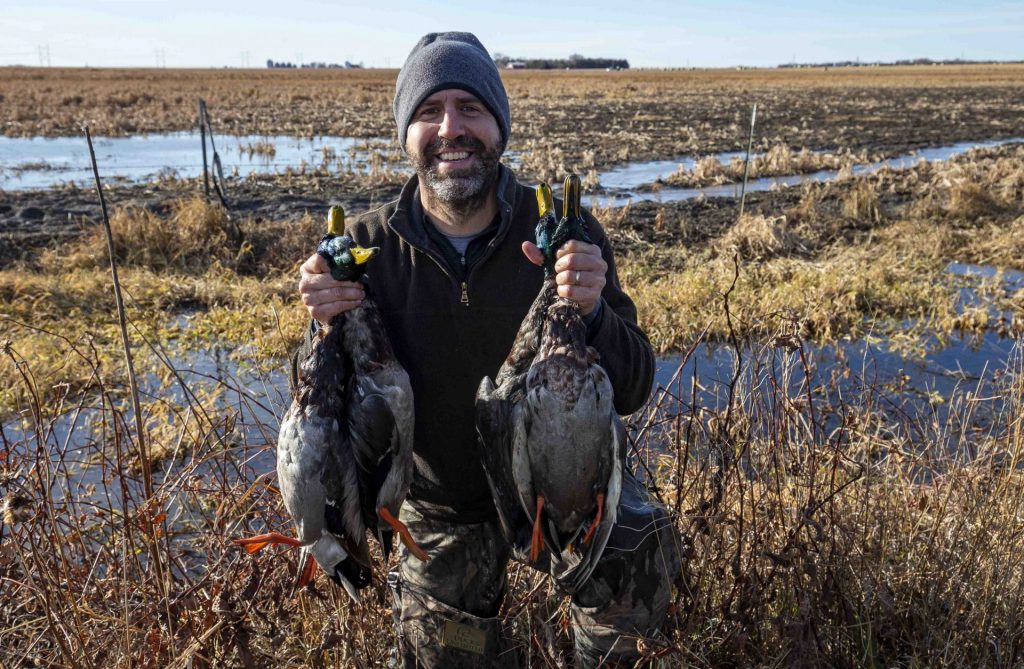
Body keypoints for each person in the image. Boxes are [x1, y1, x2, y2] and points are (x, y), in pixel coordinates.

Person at [296, 31, 679, 667]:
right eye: (429, 111)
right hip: (442, 508)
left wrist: (592, 309)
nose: (451, 128)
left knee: (639, 551)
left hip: (564, 494)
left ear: (499, 125)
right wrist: (323, 326)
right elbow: (319, 409)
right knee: (453, 654)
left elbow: (634, 385)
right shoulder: (365, 250)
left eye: (470, 108)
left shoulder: (562, 230)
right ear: (407, 132)